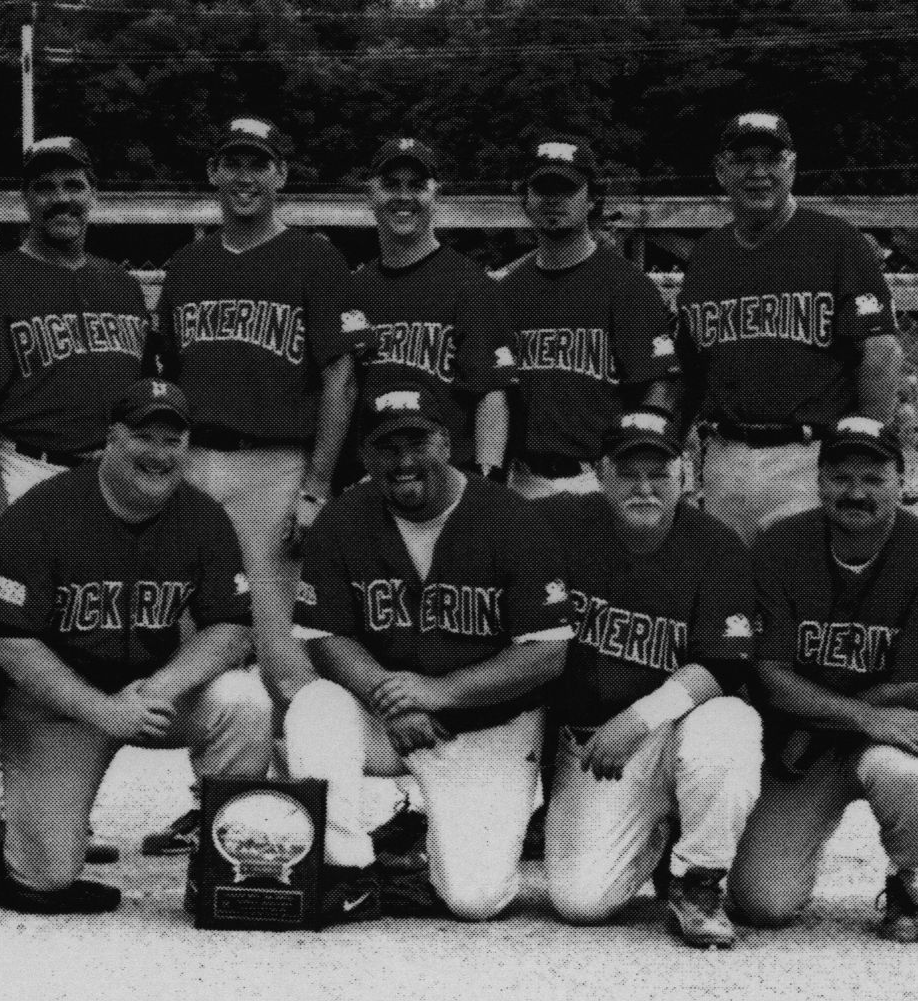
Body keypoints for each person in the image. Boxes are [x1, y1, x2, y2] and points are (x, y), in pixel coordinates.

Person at [144, 117, 367, 857]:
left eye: (259, 165)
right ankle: (213, 797)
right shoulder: (188, 264)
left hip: (277, 462)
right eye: (232, 163)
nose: (245, 178)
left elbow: (340, 375)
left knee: (277, 646)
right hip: (195, 459)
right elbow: (167, 377)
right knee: (196, 635)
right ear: (214, 173)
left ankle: (295, 809)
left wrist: (319, 484)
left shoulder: (312, 259)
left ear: (280, 176)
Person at [0, 378, 274, 914]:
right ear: (111, 438)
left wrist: (158, 688)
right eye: (144, 437)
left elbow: (232, 629)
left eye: (173, 440)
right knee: (45, 881)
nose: (159, 454)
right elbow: (8, 642)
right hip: (60, 706)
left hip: (151, 697)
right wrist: (102, 709)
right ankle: (15, 834)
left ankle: (224, 865)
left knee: (244, 705)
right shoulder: (41, 513)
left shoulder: (203, 516)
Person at [277, 387, 572, 924]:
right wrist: (392, 697)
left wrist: (441, 692)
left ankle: (415, 842)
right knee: (315, 707)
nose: (403, 461)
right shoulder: (343, 519)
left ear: (448, 441)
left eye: (418, 442)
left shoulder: (512, 518)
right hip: (386, 714)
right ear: (366, 454)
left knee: (476, 899)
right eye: (387, 447)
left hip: (488, 720)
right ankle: (349, 870)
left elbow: (546, 654)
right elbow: (323, 636)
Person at [0, 135, 146, 868]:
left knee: (79, 643)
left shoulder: (121, 285)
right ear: (25, 199)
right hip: (26, 468)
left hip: (104, 484)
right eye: (47, 186)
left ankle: (61, 808)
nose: (62, 198)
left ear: (94, 194)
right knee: (0, 637)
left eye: (75, 184)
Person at [537, 409, 761, 949]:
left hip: (667, 728)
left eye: (658, 473)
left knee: (730, 722)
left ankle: (697, 878)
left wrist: (640, 718)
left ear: (684, 474)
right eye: (627, 473)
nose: (644, 488)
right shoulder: (556, 523)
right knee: (581, 902)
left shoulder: (717, 545)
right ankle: (659, 833)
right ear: (600, 473)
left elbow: (727, 663)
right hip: (593, 747)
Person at [675, 111, 903, 545]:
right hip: (724, 456)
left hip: (808, 457)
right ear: (722, 171)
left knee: (801, 594)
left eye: (772, 158)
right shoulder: (708, 255)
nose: (758, 172)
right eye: (744, 159)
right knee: (732, 594)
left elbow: (880, 352)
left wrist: (859, 454)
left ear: (792, 165)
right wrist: (672, 453)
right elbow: (687, 369)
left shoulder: (835, 241)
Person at [731, 416, 918, 943]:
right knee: (760, 902)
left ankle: (912, 880)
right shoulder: (781, 544)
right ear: (818, 482)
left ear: (901, 484)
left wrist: (827, 715)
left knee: (898, 772)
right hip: (811, 748)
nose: (855, 492)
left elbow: (911, 687)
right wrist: (858, 713)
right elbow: (768, 675)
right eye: (840, 477)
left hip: (885, 736)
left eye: (874, 478)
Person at [501, 135, 681, 499]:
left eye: (566, 189)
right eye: (542, 189)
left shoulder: (627, 286)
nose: (553, 200)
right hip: (520, 478)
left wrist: (631, 459)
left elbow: (659, 386)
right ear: (526, 199)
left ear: (592, 198)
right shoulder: (508, 291)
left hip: (596, 477)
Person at [344, 137, 513, 489]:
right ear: (370, 194)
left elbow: (491, 395)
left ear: (437, 195)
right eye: (391, 185)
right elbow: (342, 391)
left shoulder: (470, 285)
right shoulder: (353, 289)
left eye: (417, 186)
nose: (403, 196)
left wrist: (486, 486)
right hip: (370, 481)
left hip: (447, 482)